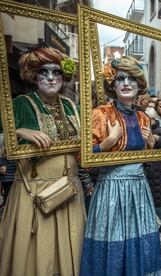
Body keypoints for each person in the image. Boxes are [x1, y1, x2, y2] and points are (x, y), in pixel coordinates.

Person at [0, 43, 85, 276]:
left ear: (63, 76)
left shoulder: (71, 107)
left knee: (71, 251)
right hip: (34, 194)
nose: (50, 78)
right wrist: (19, 132)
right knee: (38, 255)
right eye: (43, 72)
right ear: (34, 76)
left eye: (56, 72)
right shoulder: (19, 105)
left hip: (70, 192)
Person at [80, 56, 161, 275]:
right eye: (121, 79)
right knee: (112, 242)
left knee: (141, 244)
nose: (126, 83)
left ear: (139, 86)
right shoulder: (100, 114)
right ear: (113, 85)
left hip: (139, 188)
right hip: (111, 189)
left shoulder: (143, 118)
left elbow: (146, 158)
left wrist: (151, 145)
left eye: (132, 79)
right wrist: (108, 142)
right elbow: (84, 158)